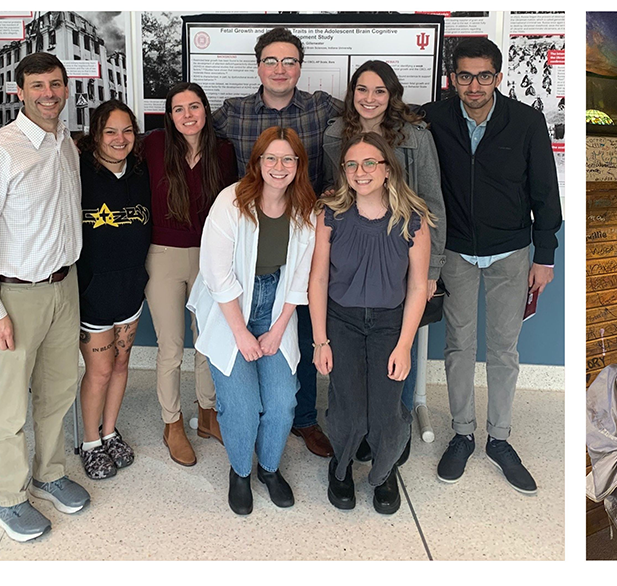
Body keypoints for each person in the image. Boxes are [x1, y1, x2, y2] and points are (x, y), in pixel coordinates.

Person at [425, 37, 560, 493]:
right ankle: (462, 434)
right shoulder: (433, 119)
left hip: (511, 252)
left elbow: (545, 192)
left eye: (484, 76)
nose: (475, 85)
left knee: (504, 349)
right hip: (455, 251)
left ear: (498, 77)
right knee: (459, 345)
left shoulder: (525, 121)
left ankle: (499, 438)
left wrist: (545, 255)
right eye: (465, 76)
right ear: (452, 79)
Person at [211, 27, 344, 458]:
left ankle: (302, 419)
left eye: (289, 61)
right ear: (258, 67)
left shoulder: (321, 107)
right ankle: (245, 412)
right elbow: (189, 129)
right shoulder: (234, 112)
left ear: (300, 68)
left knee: (299, 334)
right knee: (243, 345)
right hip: (246, 242)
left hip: (303, 233)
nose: (280, 69)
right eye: (271, 60)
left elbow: (369, 112)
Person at [187, 126, 318, 516]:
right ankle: (241, 471)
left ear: (299, 164)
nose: (279, 166)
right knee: (242, 405)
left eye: (288, 159)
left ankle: (269, 469)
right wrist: (241, 333)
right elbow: (216, 274)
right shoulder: (232, 202)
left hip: (276, 308)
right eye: (271, 158)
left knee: (281, 401)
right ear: (257, 162)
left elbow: (300, 277)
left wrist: (277, 329)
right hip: (230, 309)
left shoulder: (305, 208)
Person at [322, 59, 447, 466]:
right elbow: (333, 195)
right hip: (354, 260)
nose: (370, 98)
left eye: (379, 90)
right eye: (362, 89)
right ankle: (359, 433)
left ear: (392, 95)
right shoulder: (334, 135)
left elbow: (432, 202)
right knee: (353, 370)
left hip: (404, 257)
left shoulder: (416, 137)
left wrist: (432, 269)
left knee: (396, 359)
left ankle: (393, 432)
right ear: (351, 94)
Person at [0, 53, 89, 543]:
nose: (49, 94)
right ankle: (5, 497)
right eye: (38, 86)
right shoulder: (0, 151)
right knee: (10, 405)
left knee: (59, 389)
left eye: (56, 84)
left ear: (66, 89)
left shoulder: (65, 142)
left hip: (63, 286)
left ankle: (49, 473)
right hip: (16, 294)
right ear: (19, 92)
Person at [311, 133, 433, 515]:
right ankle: (341, 465)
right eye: (351, 164)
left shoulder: (413, 220)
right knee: (347, 407)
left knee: (386, 411)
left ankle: (383, 471)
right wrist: (320, 341)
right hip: (342, 321)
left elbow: (418, 287)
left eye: (369, 163)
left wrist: (404, 345)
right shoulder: (330, 215)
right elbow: (318, 279)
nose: (360, 171)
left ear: (387, 170)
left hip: (389, 324)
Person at [145, 82, 237, 467]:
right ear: (169, 115)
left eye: (194, 106)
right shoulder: (153, 146)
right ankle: (173, 424)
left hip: (210, 257)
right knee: (170, 347)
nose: (187, 115)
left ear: (205, 110)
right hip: (163, 255)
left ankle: (208, 415)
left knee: (208, 342)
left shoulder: (224, 151)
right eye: (179, 109)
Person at [74, 100, 151, 481]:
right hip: (93, 291)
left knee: (121, 364)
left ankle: (109, 431)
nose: (120, 139)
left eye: (127, 131)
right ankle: (90, 442)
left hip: (130, 287)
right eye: (110, 132)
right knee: (100, 370)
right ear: (95, 135)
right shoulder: (78, 171)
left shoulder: (141, 171)